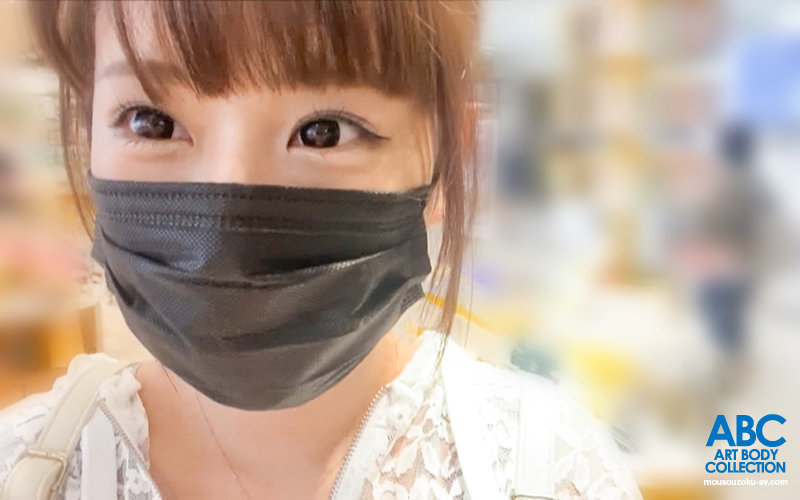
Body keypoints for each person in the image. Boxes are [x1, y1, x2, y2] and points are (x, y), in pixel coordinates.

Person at [0, 2, 642, 499]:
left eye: (324, 132)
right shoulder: (23, 469)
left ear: (448, 156)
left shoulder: (548, 470)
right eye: (151, 122)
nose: (225, 229)